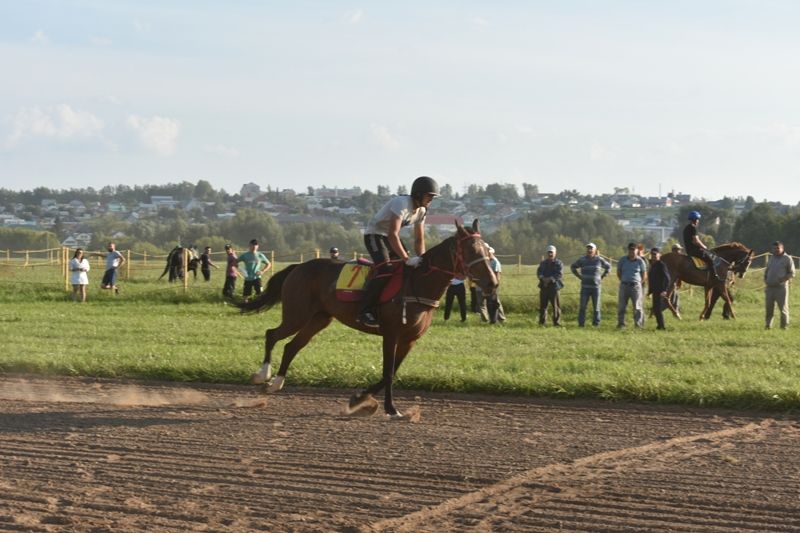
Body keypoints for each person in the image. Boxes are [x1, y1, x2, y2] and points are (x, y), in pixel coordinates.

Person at [358, 176, 439, 326]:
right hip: (375, 234)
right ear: (418, 194)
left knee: (405, 269)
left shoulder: (422, 211)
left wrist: (422, 258)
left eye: (433, 197)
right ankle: (365, 310)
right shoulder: (401, 203)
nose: (431, 200)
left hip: (389, 237)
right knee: (385, 269)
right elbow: (392, 234)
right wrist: (407, 258)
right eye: (429, 196)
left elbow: (419, 240)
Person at [571, 242, 611, 327]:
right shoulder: (582, 259)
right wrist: (579, 276)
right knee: (582, 307)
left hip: (596, 287)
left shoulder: (599, 259)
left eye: (591, 248)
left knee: (596, 307)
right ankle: (581, 324)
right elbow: (573, 266)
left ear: (595, 250)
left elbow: (608, 267)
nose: (589, 250)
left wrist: (603, 276)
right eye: (588, 248)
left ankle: (596, 324)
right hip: (585, 287)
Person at [764, 241, 796, 330]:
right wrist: (766, 280)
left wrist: (784, 279)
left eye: (778, 248)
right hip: (770, 288)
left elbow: (792, 273)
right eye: (774, 248)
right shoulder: (771, 258)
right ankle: (768, 325)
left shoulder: (787, 258)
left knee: (783, 308)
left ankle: (784, 326)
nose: (776, 250)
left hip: (781, 288)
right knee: (769, 308)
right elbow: (767, 271)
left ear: (782, 248)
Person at [682, 211, 721, 281]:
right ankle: (714, 277)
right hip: (695, 250)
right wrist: (704, 247)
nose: (698, 221)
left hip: (688, 250)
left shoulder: (686, 228)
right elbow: (695, 241)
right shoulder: (693, 228)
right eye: (697, 219)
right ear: (695, 220)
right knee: (710, 260)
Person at [617, 242, 648, 329]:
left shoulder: (640, 261)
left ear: (637, 250)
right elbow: (619, 272)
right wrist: (624, 280)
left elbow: (644, 274)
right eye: (630, 250)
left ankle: (638, 325)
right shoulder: (622, 260)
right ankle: (621, 324)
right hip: (624, 286)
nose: (632, 252)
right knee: (622, 306)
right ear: (628, 250)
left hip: (636, 287)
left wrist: (639, 283)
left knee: (637, 307)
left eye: (634, 250)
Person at [536, 244, 563, 326]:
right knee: (543, 306)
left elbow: (559, 274)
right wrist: (543, 279)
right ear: (546, 253)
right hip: (544, 287)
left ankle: (556, 322)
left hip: (554, 287)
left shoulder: (559, 263)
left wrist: (549, 279)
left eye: (551, 252)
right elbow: (539, 272)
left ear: (555, 253)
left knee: (555, 306)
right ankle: (542, 322)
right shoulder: (542, 263)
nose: (550, 254)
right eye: (549, 252)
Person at [648, 247, 671, 330]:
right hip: (655, 290)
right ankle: (659, 325)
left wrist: (665, 290)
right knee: (656, 308)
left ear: (659, 255)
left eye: (655, 254)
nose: (653, 256)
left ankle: (662, 326)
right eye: (652, 254)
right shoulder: (653, 265)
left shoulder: (661, 265)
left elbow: (667, 278)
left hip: (660, 291)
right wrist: (650, 291)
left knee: (658, 309)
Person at [484, 247, 505, 324]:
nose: (487, 254)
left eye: (489, 253)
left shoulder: (495, 262)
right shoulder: (488, 261)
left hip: (493, 286)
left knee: (494, 303)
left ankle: (494, 320)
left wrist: (494, 287)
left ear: (492, 253)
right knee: (490, 302)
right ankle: (494, 319)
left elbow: (497, 276)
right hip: (488, 285)